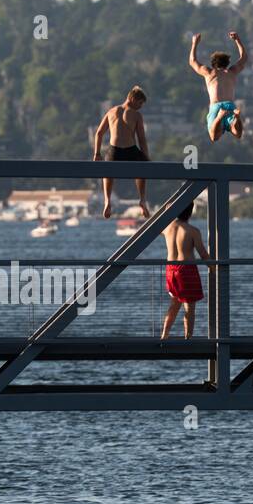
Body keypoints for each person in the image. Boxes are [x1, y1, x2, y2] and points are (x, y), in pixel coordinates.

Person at [93, 86, 151, 219]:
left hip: (115, 149)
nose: (140, 107)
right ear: (132, 98)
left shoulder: (112, 111)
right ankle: (142, 199)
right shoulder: (136, 115)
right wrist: (146, 157)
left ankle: (107, 200)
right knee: (141, 170)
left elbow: (99, 133)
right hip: (130, 149)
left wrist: (97, 153)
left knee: (108, 172)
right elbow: (141, 139)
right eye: (140, 103)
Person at [159, 205, 210, 339]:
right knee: (190, 308)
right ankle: (188, 338)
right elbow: (203, 254)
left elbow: (159, 221)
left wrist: (168, 209)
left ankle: (164, 335)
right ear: (190, 212)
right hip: (186, 270)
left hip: (171, 269)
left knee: (174, 305)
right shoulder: (192, 231)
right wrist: (215, 268)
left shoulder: (167, 228)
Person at [189, 31, 248, 141]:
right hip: (231, 106)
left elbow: (193, 62)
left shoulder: (209, 73)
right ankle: (237, 117)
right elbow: (244, 58)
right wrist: (237, 40)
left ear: (213, 64)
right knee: (238, 133)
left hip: (216, 107)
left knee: (214, 136)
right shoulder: (232, 72)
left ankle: (220, 116)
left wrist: (194, 43)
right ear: (227, 63)